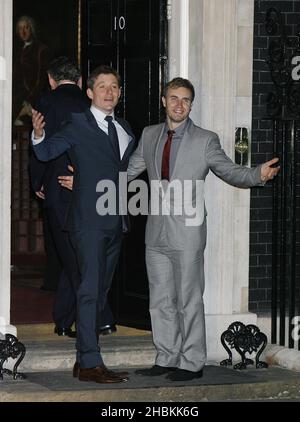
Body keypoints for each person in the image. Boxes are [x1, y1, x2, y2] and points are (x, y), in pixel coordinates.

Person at [125, 77, 280, 381]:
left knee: (188, 299)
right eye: (173, 98)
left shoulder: (205, 140)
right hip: (155, 233)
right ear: (163, 100)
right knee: (160, 301)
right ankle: (167, 357)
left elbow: (228, 170)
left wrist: (256, 174)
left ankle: (192, 362)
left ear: (191, 105)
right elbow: (127, 172)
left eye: (185, 100)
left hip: (188, 234)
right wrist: (90, 180)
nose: (179, 104)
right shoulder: (149, 135)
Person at [31, 65, 135, 384]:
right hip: (87, 221)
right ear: (89, 92)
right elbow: (48, 151)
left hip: (116, 220)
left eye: (114, 86)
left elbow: (120, 171)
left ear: (119, 93)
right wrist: (37, 134)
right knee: (89, 290)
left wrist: (84, 178)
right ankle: (90, 362)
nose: (108, 92)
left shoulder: (125, 128)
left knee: (99, 292)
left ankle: (83, 359)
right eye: (102, 86)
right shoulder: (76, 123)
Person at [30, 57, 117, 338]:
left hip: (57, 190)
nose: (107, 92)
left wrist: (38, 183)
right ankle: (73, 319)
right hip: (90, 195)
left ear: (51, 80)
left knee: (74, 259)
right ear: (82, 84)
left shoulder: (44, 102)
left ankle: (91, 318)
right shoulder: (88, 107)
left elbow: (40, 151)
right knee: (78, 258)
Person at [13, 15, 49, 126]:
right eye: (20, 28)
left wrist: (29, 100)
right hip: (19, 97)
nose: (23, 32)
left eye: (26, 28)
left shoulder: (41, 50)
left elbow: (41, 79)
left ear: (32, 29)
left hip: (34, 98)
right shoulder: (17, 50)